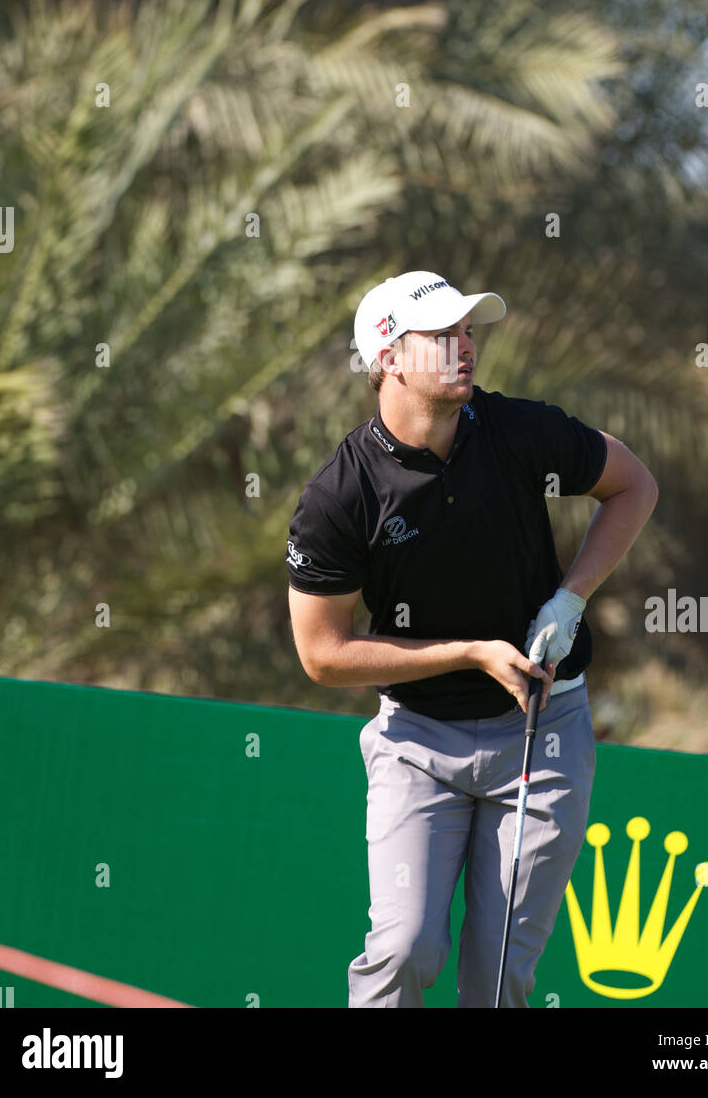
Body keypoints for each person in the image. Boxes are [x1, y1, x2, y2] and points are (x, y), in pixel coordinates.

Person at [286, 270, 658, 1008]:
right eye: (442, 335)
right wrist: (470, 652)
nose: (465, 348)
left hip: (541, 736)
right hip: (417, 743)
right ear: (388, 356)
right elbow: (321, 655)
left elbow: (633, 484)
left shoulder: (519, 431)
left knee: (496, 980)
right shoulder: (340, 496)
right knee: (404, 948)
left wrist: (570, 595)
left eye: (467, 332)